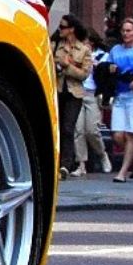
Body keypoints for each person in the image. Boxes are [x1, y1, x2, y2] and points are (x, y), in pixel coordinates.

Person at [53, 16, 92, 176]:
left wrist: (68, 66)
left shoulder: (84, 49)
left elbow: (84, 74)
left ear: (72, 29)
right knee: (57, 127)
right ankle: (55, 160)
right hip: (57, 89)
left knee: (68, 127)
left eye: (63, 27)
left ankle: (66, 164)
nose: (60, 30)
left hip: (74, 93)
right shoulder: (55, 45)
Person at [76, 28, 114, 175]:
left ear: (91, 42)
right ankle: (81, 164)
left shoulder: (103, 55)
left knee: (92, 130)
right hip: (78, 93)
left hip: (93, 95)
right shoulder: (77, 54)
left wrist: (96, 65)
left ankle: (102, 155)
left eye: (84, 41)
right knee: (78, 130)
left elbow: (107, 75)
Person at [110, 16, 133, 183]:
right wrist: (110, 68)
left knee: (131, 134)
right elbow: (106, 68)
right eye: (123, 30)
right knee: (117, 135)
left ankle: (122, 172)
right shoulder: (116, 50)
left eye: (129, 30)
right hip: (120, 94)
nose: (125, 33)